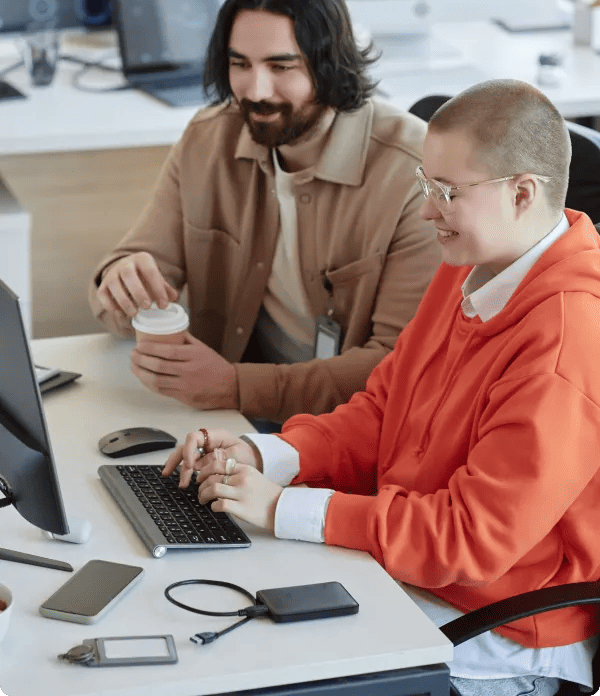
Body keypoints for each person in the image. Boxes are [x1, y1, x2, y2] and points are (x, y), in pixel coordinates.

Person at [164, 79, 600, 696]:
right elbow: (381, 410)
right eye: (428, 185)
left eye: (446, 192)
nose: (427, 211)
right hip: (412, 571)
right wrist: (268, 456)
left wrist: (281, 507)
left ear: (522, 193)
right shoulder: (476, 264)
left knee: (265, 668)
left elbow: (469, 541)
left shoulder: (567, 340)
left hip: (501, 634)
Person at [88, 0, 440, 424]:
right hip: (230, 417)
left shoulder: (413, 175)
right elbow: (137, 268)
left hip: (345, 435)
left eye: (281, 66)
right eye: (240, 64)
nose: (256, 90)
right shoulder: (209, 138)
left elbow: (399, 369)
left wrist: (235, 387)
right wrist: (120, 283)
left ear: (329, 62)